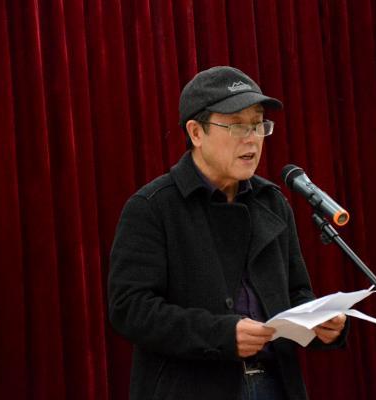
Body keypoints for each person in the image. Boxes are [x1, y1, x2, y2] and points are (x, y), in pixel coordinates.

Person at [108, 66, 347, 400]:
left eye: (258, 125)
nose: (252, 138)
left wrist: (320, 322)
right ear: (196, 132)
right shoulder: (153, 207)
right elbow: (130, 309)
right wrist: (220, 334)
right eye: (236, 126)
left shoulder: (271, 202)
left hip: (275, 384)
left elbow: (296, 291)